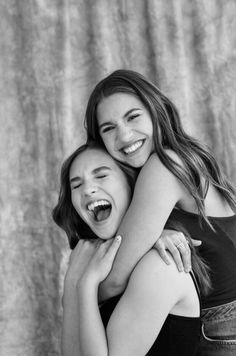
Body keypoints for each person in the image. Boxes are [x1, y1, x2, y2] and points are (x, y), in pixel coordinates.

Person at [84, 69, 236, 355]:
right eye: (108, 128)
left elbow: (111, 281)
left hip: (222, 334)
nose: (124, 134)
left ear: (157, 112)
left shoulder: (165, 166)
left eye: (133, 117)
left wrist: (79, 284)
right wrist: (154, 235)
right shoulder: (185, 155)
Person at [52, 141, 211, 356]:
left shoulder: (161, 264)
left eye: (101, 176)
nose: (88, 190)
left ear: (133, 185)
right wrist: (73, 281)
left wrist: (85, 285)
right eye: (76, 185)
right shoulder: (92, 257)